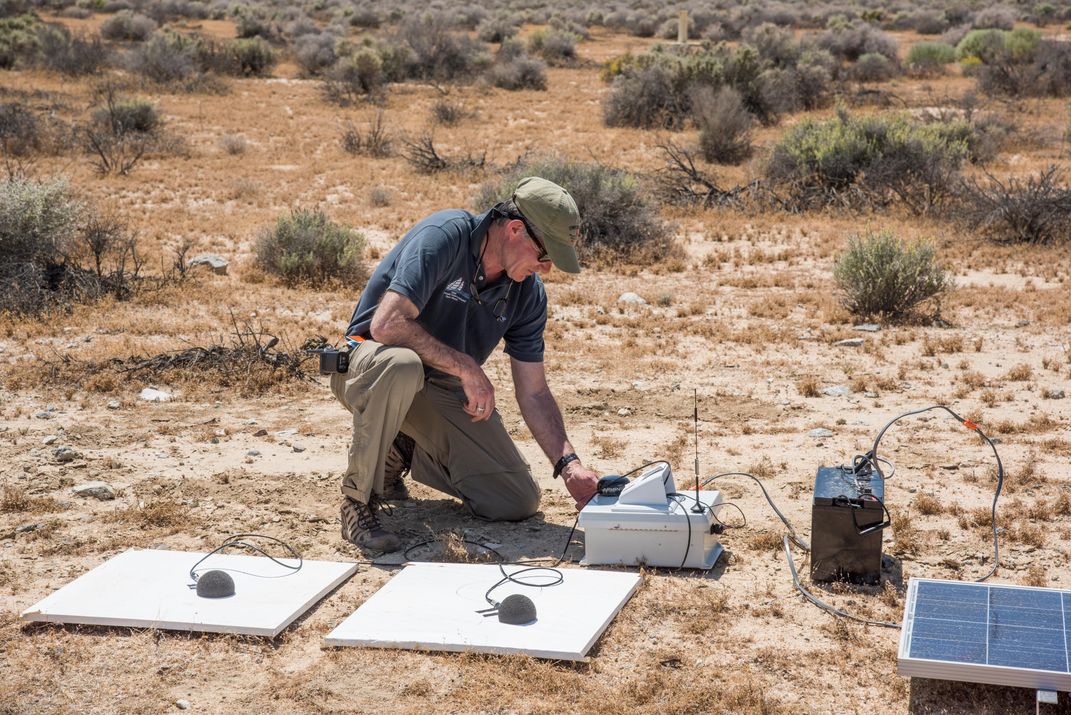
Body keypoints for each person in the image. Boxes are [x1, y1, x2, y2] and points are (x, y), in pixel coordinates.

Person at [330, 177, 600, 551]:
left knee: (515, 500)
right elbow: (386, 324)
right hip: (368, 365)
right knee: (402, 366)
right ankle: (357, 503)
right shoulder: (444, 236)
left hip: (434, 387)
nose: (547, 268)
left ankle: (401, 448)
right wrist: (467, 367)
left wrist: (569, 466)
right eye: (545, 255)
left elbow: (534, 391)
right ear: (515, 230)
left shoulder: (527, 293)